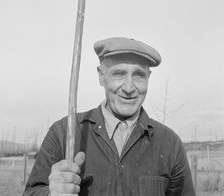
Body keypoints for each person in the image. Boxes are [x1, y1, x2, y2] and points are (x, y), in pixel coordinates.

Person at [23, 37, 196, 196]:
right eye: (119, 74)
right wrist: (51, 193)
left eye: (138, 75)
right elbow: (31, 192)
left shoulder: (170, 144)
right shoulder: (63, 133)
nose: (129, 87)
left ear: (148, 78)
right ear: (101, 76)